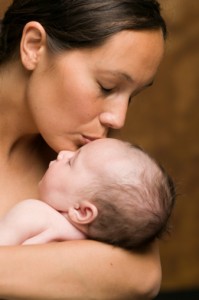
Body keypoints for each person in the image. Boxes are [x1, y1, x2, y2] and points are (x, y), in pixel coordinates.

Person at [0, 0, 168, 299]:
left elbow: (142, 273)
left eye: (132, 96)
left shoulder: (84, 155)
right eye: (106, 86)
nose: (118, 118)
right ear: (34, 46)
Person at [0, 138, 175, 249]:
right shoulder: (91, 245)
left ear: (82, 212)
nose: (63, 153)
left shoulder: (32, 214)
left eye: (71, 162)